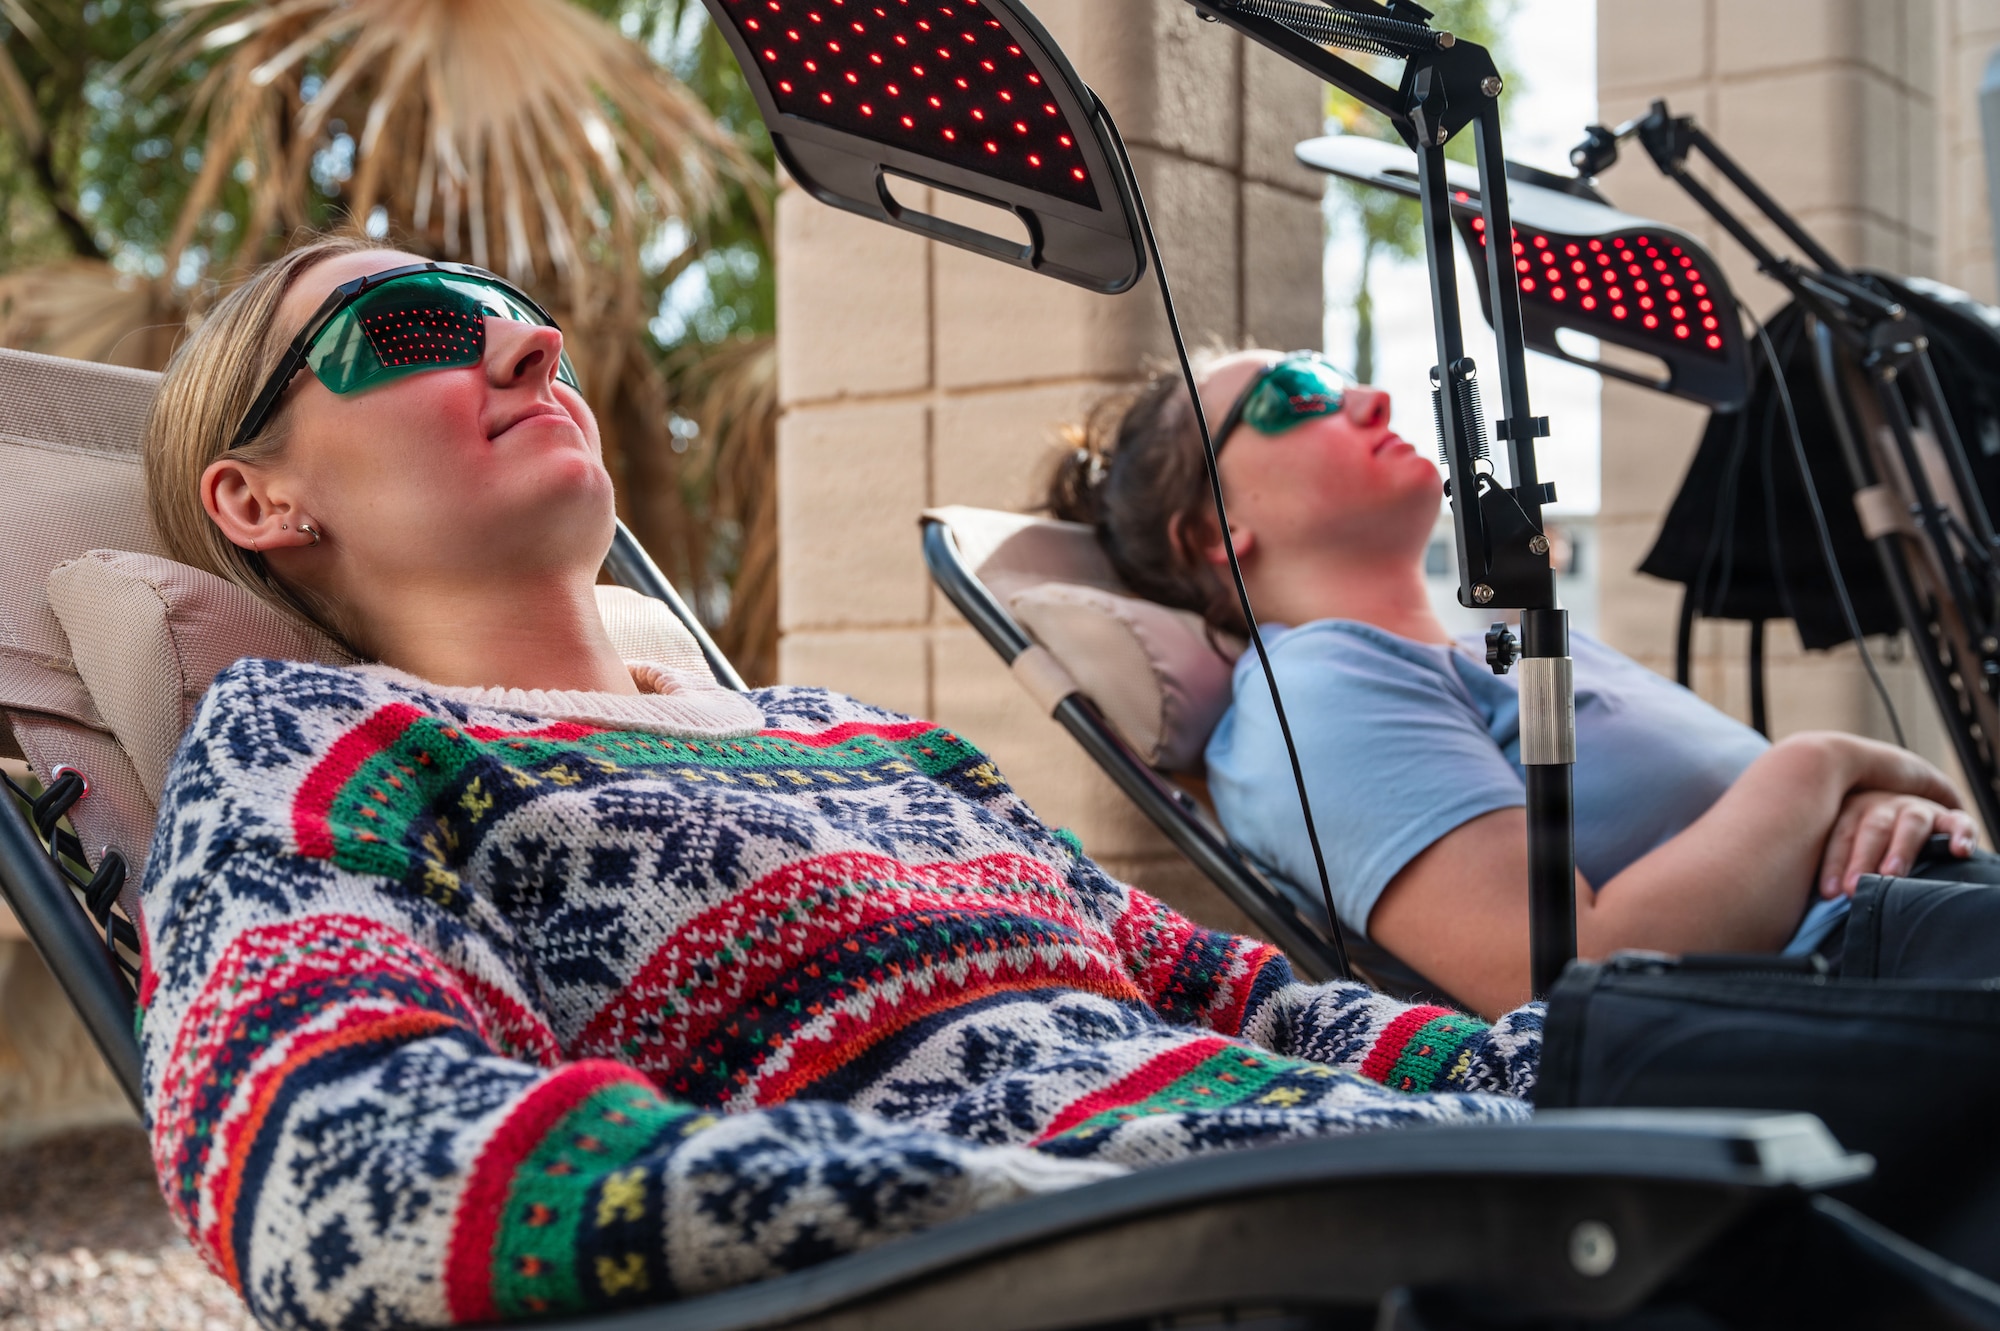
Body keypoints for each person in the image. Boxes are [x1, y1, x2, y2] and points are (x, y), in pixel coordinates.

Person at [136, 243, 1544, 1330]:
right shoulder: (323, 743)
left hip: (1452, 1180)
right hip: (1224, 1265)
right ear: (259, 499)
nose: (533, 344)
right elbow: (333, 1158)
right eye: (414, 329)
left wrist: (1565, 1064)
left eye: (517, 313)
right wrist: (1031, 1214)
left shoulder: (862, 736)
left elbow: (1234, 997)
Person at [1047, 349, 1987, 1019]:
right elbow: (1571, 976)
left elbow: (1764, 826)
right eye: (1300, 394)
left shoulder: (1503, 644)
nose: (1371, 397)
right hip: (1870, 1001)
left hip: (1922, 935)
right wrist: (1825, 765)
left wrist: (1886, 806)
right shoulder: (1316, 694)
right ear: (1214, 532)